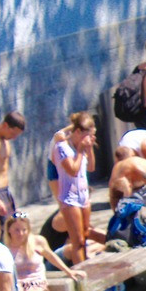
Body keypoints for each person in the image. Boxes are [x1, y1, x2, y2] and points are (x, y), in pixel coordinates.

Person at [5, 212, 85, 291]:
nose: (21, 233)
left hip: (36, 286)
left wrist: (68, 271)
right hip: (19, 288)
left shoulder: (37, 241)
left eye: (24, 230)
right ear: (9, 230)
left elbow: (51, 257)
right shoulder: (5, 249)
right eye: (16, 230)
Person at [52, 112, 97, 264]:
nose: (88, 139)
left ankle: (87, 268)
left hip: (84, 197)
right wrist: (80, 151)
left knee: (85, 236)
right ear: (77, 132)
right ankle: (81, 274)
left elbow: (91, 167)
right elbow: (72, 170)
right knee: (77, 240)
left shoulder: (82, 147)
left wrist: (89, 149)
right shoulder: (62, 147)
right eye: (87, 135)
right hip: (70, 199)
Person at [110, 146, 146, 213]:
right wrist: (117, 214)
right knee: (127, 213)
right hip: (128, 183)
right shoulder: (115, 175)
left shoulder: (139, 169)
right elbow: (113, 198)